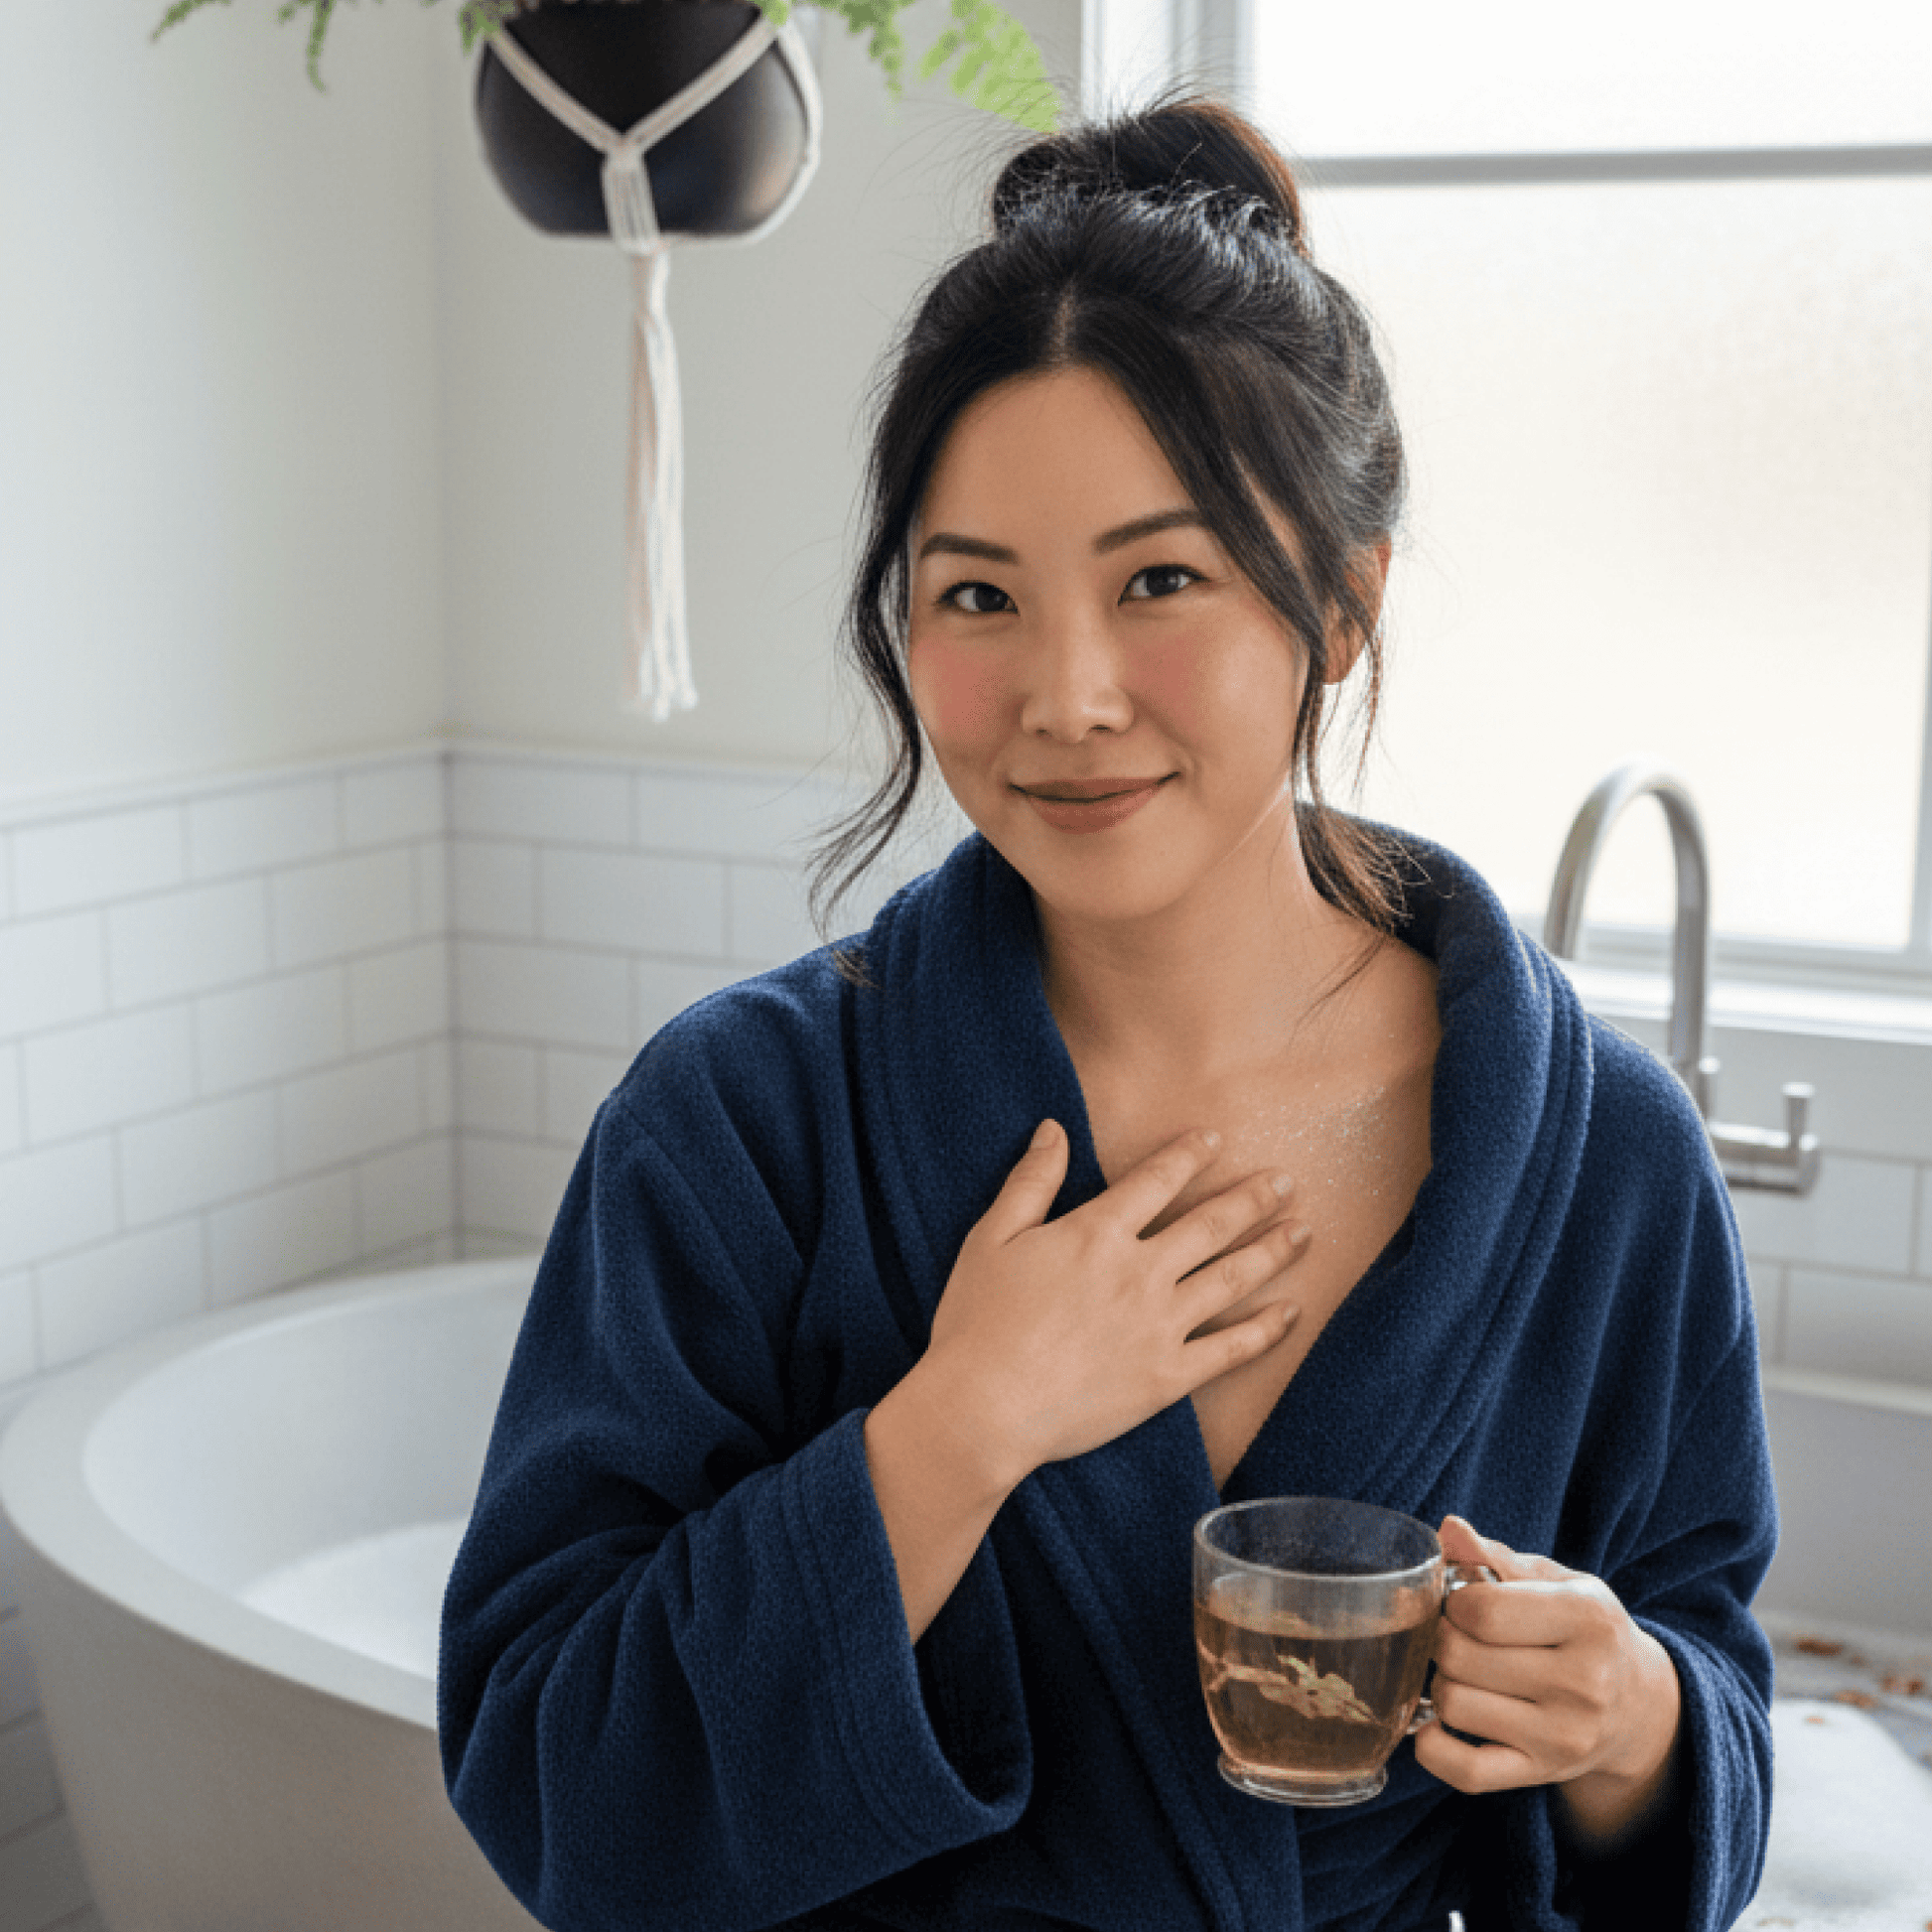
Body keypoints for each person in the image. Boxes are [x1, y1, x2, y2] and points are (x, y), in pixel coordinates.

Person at [438, 90, 1776, 1932]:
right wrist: (957, 1422)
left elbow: (1704, 1678)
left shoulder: (1600, 1160)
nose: (1063, 695)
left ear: (1339, 602)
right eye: (975, 594)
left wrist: (1629, 1721)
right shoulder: (734, 1122)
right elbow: (553, 1788)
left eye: (1159, 580)